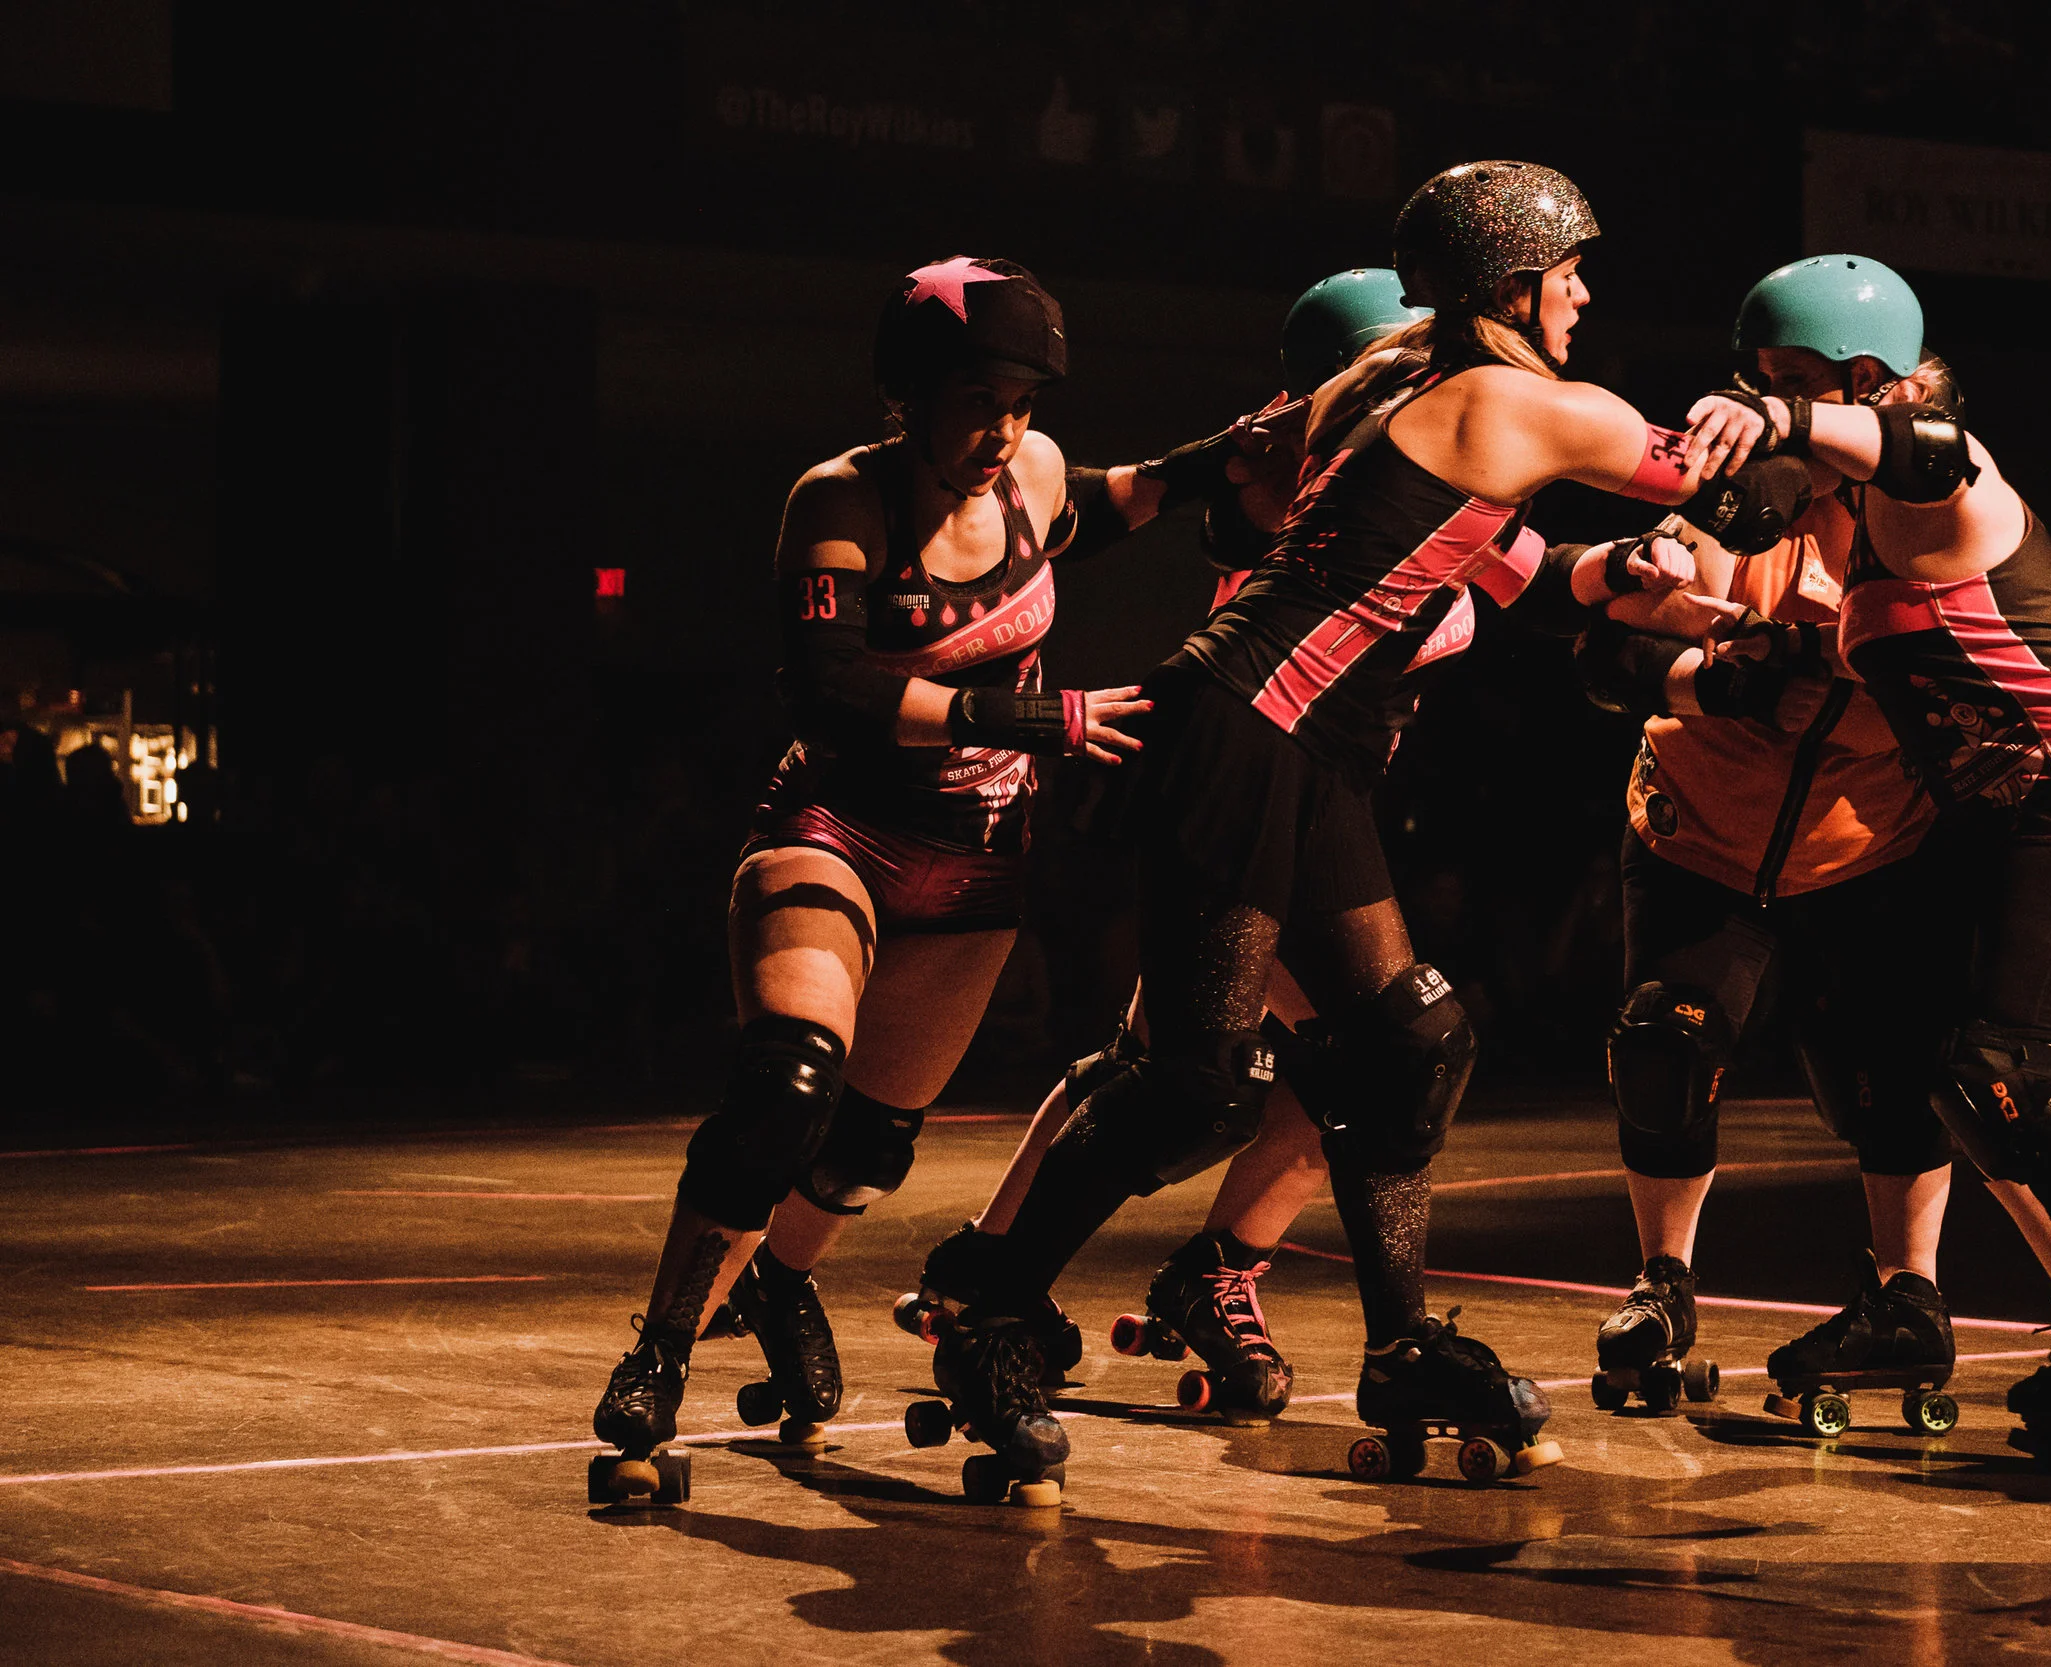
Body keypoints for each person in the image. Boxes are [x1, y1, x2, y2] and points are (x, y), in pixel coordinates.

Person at [955, 161, 1812, 1483]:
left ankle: (1403, 1342)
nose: (1585, 294)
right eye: (1570, 271)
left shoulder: (1400, 381)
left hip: (1302, 745)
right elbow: (1732, 489)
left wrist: (1620, 571)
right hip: (1252, 733)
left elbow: (1514, 562)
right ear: (1511, 283)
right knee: (1193, 1082)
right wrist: (1785, 414)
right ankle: (992, 1308)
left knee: (1411, 1042)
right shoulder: (1523, 400)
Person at [588, 256, 1177, 1502]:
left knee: (868, 1149)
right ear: (908, 396)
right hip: (839, 826)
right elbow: (832, 688)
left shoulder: (1034, 475)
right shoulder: (842, 498)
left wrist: (1278, 438)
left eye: (1021, 402)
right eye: (975, 400)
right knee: (785, 1086)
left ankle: (781, 1278)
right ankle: (661, 1353)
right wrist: (1034, 717)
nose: (1001, 429)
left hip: (977, 861)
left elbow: (1132, 496)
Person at [1677, 255, 2051, 1464]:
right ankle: (2007, 1310)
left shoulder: (1932, 481)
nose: (1764, 402)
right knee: (1903, 1048)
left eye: (1787, 380)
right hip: (1996, 809)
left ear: (1865, 380)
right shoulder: (1853, 517)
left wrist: (1784, 423)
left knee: (2010, 1064)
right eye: (1754, 381)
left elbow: (1928, 446)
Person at [911, 269, 1434, 1428]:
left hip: (1309, 809)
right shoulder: (1312, 492)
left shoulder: (1404, 476)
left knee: (1168, 1062)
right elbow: (1225, 522)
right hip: (1244, 803)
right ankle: (1188, 1273)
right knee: (1344, 1062)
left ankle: (989, 1264)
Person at [1576, 335, 2051, 1422]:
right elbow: (1607, 655)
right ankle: (1661, 1283)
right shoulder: (1745, 505)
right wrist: (1725, 684)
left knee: (1897, 1076)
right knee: (1664, 1043)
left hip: (1868, 842)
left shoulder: (1944, 519)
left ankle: (1909, 1294)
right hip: (1701, 829)